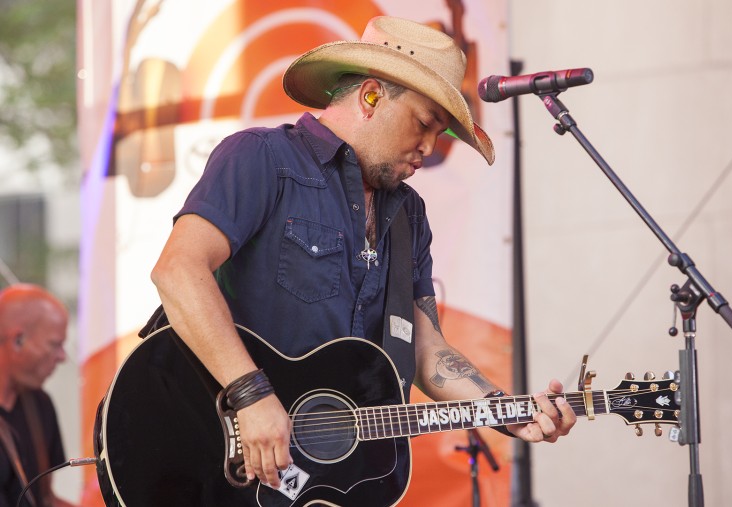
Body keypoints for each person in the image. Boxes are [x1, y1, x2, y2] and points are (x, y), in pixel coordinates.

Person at [151, 15, 576, 494]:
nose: (429, 148)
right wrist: (250, 394)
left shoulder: (409, 215)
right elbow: (178, 270)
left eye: (440, 135)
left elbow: (423, 348)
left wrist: (506, 411)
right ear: (371, 96)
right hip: (209, 452)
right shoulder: (262, 158)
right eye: (423, 124)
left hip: (314, 477)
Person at [0, 284, 75, 507]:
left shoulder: (41, 405)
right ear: (17, 340)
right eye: (55, 344)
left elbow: (45, 499)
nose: (62, 357)